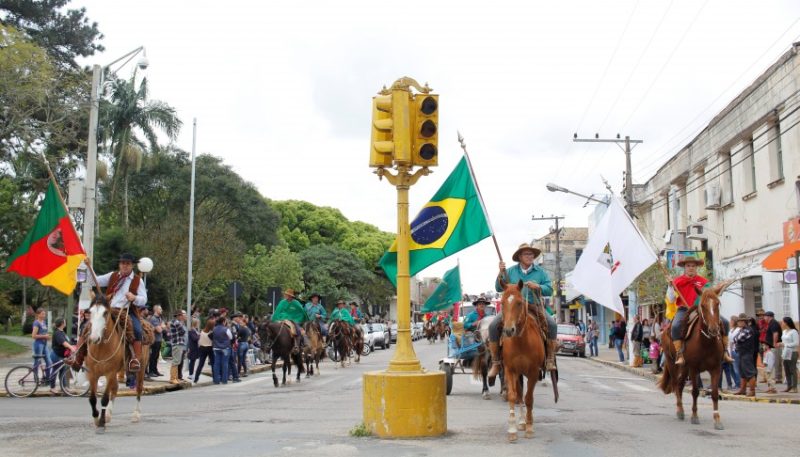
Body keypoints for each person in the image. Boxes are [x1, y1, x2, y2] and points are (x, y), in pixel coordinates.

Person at [487, 243, 557, 378]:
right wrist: (501, 273)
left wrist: (538, 286)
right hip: (513, 308)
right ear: (520, 257)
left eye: (531, 254)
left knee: (552, 325)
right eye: (526, 254)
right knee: (493, 326)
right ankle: (496, 362)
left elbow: (550, 289)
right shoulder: (511, 271)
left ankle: (549, 359)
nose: (530, 256)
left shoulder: (540, 272)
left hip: (534, 306)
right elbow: (499, 288)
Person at [71, 253, 148, 372]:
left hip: (127, 310)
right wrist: (88, 266)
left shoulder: (138, 281)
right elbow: (94, 281)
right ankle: (78, 358)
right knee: (86, 326)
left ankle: (135, 359)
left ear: (132, 265)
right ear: (119, 264)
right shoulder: (112, 276)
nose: (125, 266)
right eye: (123, 263)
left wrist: (134, 298)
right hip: (109, 309)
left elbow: (144, 299)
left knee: (137, 330)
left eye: (127, 264)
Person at [669, 255, 733, 365]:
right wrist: (670, 286)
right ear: (684, 267)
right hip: (684, 310)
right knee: (675, 326)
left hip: (702, 309)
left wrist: (722, 286)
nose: (691, 268)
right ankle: (679, 354)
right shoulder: (677, 281)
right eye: (688, 266)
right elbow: (671, 299)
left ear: (696, 267)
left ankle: (725, 352)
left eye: (693, 266)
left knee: (726, 323)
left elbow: (711, 295)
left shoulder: (704, 281)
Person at [272, 288, 310, 353]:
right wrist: (279, 319)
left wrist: (299, 319)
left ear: (291, 296)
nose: (287, 296)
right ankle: (273, 345)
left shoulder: (296, 303)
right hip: (283, 319)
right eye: (286, 295)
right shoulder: (282, 302)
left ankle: (300, 344)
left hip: (294, 319)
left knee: (298, 329)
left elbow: (301, 311)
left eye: (288, 295)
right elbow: (277, 312)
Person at [734, 314, 758, 396]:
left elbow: (738, 338)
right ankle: (742, 390)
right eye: (738, 321)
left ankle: (752, 390)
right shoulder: (742, 330)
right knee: (742, 373)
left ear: (744, 322)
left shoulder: (748, 330)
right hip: (742, 353)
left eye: (740, 321)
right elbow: (735, 338)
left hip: (747, 353)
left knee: (750, 372)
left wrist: (736, 339)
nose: (738, 323)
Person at [50, 317, 75, 393]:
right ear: (62, 323)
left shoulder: (62, 332)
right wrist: (71, 347)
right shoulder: (58, 333)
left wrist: (72, 346)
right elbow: (63, 342)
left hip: (62, 355)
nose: (65, 322)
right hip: (56, 355)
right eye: (64, 321)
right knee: (55, 371)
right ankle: (52, 387)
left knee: (63, 371)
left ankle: (64, 387)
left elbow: (67, 341)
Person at [763, 311, 783, 389]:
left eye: (765, 316)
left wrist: (774, 343)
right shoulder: (771, 323)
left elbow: (775, 333)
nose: (764, 318)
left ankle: (777, 378)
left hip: (774, 346)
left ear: (769, 316)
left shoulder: (773, 323)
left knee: (776, 362)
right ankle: (775, 378)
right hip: (771, 346)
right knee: (773, 362)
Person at [778, 317, 798, 393]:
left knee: (792, 369)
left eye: (782, 322)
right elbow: (783, 341)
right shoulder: (784, 331)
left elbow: (796, 343)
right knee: (786, 370)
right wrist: (781, 344)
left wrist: (785, 344)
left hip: (792, 352)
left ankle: (794, 387)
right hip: (785, 352)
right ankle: (789, 386)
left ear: (786, 323)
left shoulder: (794, 332)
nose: (781, 323)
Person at [169, 310, 188, 384]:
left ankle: (176, 377)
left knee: (177, 361)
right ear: (178, 316)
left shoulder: (175, 322)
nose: (183, 316)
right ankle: (173, 378)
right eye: (182, 315)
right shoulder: (177, 322)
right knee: (176, 361)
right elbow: (183, 331)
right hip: (177, 343)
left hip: (178, 343)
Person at [211, 316, 232, 385]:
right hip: (225, 348)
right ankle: (224, 380)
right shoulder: (226, 329)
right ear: (223, 322)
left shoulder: (214, 329)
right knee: (225, 364)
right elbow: (231, 337)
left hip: (216, 348)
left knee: (216, 364)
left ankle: (216, 380)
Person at [194, 318, 215, 384]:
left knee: (201, 364)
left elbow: (199, 341)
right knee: (213, 364)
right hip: (210, 348)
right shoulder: (211, 333)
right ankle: (215, 378)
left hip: (202, 348)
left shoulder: (202, 331)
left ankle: (196, 378)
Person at [147, 305, 165, 378]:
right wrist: (162, 326)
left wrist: (161, 326)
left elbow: (164, 327)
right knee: (153, 356)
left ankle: (155, 370)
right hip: (155, 340)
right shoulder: (154, 319)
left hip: (159, 339)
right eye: (160, 309)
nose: (162, 310)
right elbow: (159, 330)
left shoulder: (159, 318)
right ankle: (151, 371)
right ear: (156, 310)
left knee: (156, 356)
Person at [232, 312, 250, 378]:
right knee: (243, 359)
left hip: (241, 344)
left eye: (241, 322)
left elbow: (236, 336)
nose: (240, 323)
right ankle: (245, 372)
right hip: (246, 344)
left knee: (240, 359)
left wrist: (237, 336)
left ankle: (238, 373)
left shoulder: (241, 329)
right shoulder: (247, 329)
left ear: (244, 322)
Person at [728, 314, 742, 391]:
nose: (730, 322)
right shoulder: (731, 330)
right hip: (730, 351)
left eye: (731, 320)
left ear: (734, 321)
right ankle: (736, 382)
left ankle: (738, 384)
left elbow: (734, 341)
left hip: (735, 351)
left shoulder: (738, 330)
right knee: (731, 369)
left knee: (736, 368)